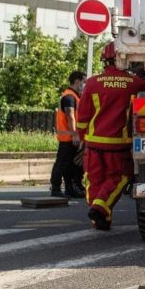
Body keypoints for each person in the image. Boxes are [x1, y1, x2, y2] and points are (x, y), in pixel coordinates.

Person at [76, 42, 145, 230]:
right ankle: (100, 208)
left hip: (93, 142)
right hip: (118, 143)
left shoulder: (92, 83)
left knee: (93, 179)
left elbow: (82, 117)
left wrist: (83, 138)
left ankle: (100, 218)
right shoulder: (135, 83)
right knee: (120, 176)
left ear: (105, 60)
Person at [50, 70, 85, 198]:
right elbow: (70, 116)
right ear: (77, 81)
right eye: (84, 82)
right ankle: (56, 188)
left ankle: (70, 188)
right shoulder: (69, 97)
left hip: (71, 137)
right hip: (68, 137)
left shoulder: (74, 96)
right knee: (62, 163)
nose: (85, 85)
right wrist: (75, 135)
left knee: (70, 165)